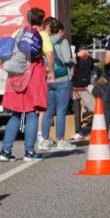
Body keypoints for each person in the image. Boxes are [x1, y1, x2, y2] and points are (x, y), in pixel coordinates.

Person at [0, 7, 54, 162]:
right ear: (42, 21)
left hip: (16, 75)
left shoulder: (18, 33)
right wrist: (51, 72)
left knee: (16, 113)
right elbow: (49, 54)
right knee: (31, 113)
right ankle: (29, 152)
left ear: (28, 19)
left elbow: (8, 51)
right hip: (33, 76)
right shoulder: (42, 35)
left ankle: (5, 151)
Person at [40, 20, 76, 151]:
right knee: (61, 111)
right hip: (62, 79)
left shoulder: (46, 40)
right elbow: (66, 59)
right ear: (60, 31)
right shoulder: (63, 41)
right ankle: (61, 140)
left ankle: (45, 140)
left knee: (48, 111)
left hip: (49, 79)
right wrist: (73, 61)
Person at [71, 50, 97, 141]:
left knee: (76, 107)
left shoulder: (76, 59)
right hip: (86, 86)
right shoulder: (90, 60)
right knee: (91, 107)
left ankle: (78, 130)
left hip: (75, 86)